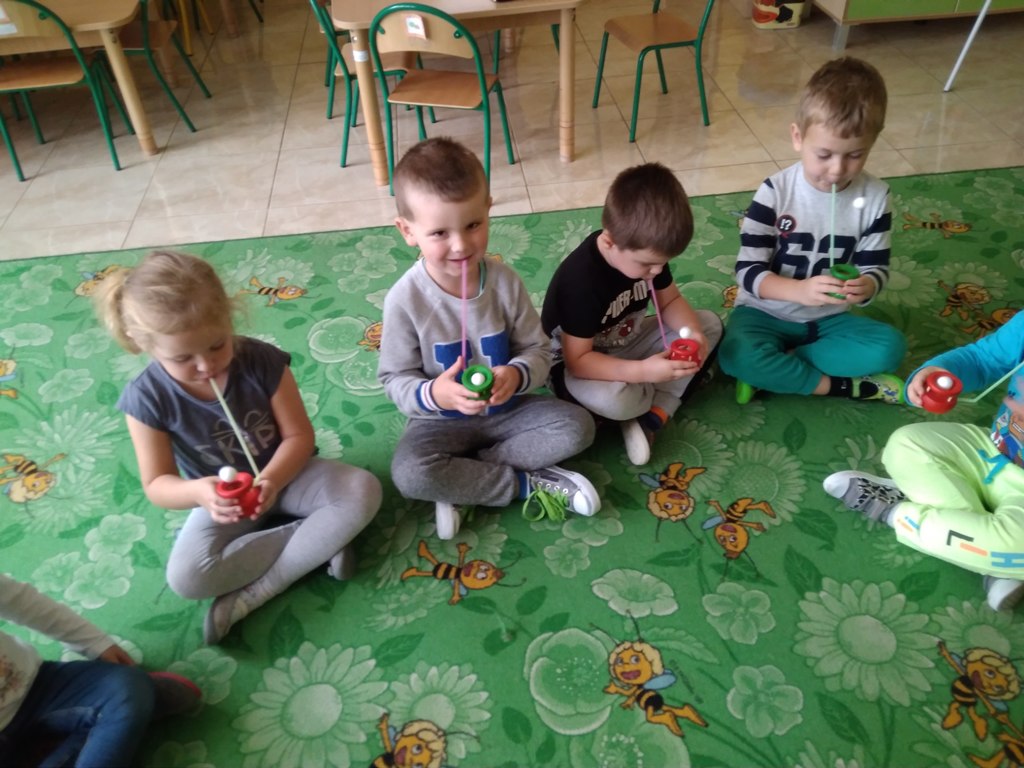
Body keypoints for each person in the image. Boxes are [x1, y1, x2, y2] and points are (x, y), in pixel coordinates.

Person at [93, 251, 382, 645]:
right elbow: (157, 484)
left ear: (230, 320)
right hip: (224, 503)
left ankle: (259, 591)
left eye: (217, 345)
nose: (206, 366)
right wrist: (201, 493)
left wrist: (272, 481)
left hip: (288, 474)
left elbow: (299, 437)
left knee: (364, 490)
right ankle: (317, 541)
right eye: (182, 358)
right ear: (146, 346)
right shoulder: (146, 399)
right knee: (188, 578)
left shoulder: (260, 360)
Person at [378, 137, 600, 540]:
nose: (461, 245)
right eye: (439, 232)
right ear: (407, 231)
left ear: (488, 209)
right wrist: (435, 394)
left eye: (473, 225)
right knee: (410, 474)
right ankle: (522, 484)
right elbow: (394, 379)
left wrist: (516, 375)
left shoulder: (505, 282)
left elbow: (538, 350)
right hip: (438, 423)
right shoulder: (404, 300)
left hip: (508, 412)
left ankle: (465, 481)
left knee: (578, 427)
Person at [717, 56, 906, 406]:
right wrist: (799, 291)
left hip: (828, 321)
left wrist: (865, 286)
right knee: (734, 352)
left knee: (889, 348)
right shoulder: (775, 192)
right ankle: (840, 386)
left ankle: (780, 367)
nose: (837, 170)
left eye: (855, 155)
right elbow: (747, 271)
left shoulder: (876, 197)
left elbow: (876, 268)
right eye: (824, 154)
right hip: (764, 313)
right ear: (798, 137)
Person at [824, 311, 1024, 611]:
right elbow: (982, 359)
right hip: (990, 450)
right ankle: (990, 555)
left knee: (1017, 546)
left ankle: (892, 509)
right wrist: (937, 372)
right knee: (906, 444)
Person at [541, 162, 724, 466]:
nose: (657, 271)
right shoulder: (581, 281)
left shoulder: (645, 252)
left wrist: (692, 334)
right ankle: (647, 399)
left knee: (709, 325)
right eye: (648, 265)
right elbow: (579, 362)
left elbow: (669, 301)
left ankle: (654, 414)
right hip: (577, 365)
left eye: (662, 263)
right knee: (613, 399)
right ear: (610, 242)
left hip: (627, 343)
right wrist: (644, 373)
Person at [0, 573, 201, 767]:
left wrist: (95, 643)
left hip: (40, 685)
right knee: (134, 702)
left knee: (127, 687)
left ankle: (50, 749)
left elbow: (22, 602)